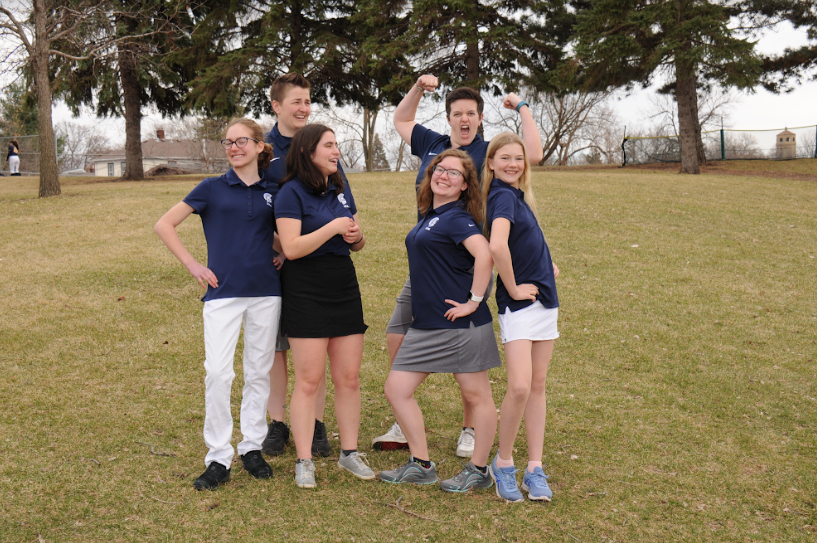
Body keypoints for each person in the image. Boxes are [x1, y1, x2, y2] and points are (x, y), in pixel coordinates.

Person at [375, 74, 544, 455]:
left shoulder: (487, 152)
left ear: (480, 118)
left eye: (471, 114)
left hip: (465, 265)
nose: (464, 120)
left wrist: (522, 108)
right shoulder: (433, 144)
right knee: (396, 333)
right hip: (426, 260)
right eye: (457, 114)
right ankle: (403, 420)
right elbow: (401, 120)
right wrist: (418, 88)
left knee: (466, 353)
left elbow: (531, 155)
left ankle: (470, 427)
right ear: (448, 117)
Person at [154, 119, 280, 490]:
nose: (234, 147)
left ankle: (252, 447)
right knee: (218, 373)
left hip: (266, 293)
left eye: (242, 141)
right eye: (228, 142)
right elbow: (164, 225)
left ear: (259, 146)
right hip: (222, 294)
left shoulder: (275, 190)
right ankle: (218, 456)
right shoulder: (210, 188)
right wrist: (193, 265)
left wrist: (284, 255)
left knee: (258, 371)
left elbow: (281, 235)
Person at [379, 149, 500, 494]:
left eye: (454, 174)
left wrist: (474, 302)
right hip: (428, 324)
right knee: (396, 390)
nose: (443, 176)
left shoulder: (457, 218)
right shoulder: (432, 215)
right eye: (439, 169)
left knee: (477, 396)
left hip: (461, 326)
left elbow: (485, 254)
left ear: (465, 186)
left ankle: (479, 469)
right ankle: (421, 465)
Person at [274, 124, 373, 489]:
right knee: (310, 379)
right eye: (329, 146)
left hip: (342, 283)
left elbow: (358, 243)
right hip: (305, 288)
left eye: (337, 146)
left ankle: (349, 453)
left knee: (348, 378)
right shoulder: (290, 193)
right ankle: (304, 460)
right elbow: (292, 247)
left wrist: (355, 236)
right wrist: (333, 227)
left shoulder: (339, 190)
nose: (336, 152)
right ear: (307, 152)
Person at [482, 133, 559, 502]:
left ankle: (535, 467)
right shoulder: (499, 195)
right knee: (519, 387)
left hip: (545, 301)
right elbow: (497, 245)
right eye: (505, 158)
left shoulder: (517, 197)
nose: (513, 164)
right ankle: (504, 462)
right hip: (521, 306)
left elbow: (524, 243)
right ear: (491, 163)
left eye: (519, 158)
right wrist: (512, 288)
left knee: (538, 385)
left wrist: (547, 265)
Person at [261, 73, 332, 459]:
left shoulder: (320, 143)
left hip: (314, 263)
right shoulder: (263, 151)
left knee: (313, 348)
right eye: (296, 102)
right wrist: (284, 246)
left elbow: (337, 201)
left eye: (307, 101)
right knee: (276, 348)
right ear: (277, 106)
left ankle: (317, 423)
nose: (304, 108)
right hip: (273, 262)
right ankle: (277, 423)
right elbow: (256, 210)